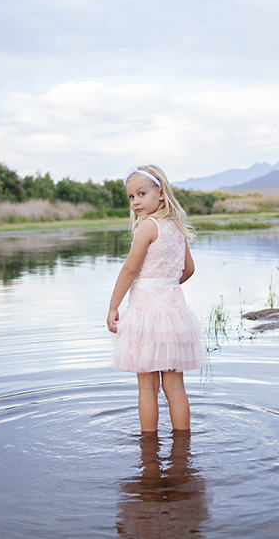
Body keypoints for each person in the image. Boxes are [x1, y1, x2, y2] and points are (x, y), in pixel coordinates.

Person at [107, 165, 208, 433]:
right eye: (131, 197)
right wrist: (166, 286)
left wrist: (113, 305)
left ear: (160, 193)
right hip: (174, 313)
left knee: (148, 388)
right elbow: (188, 270)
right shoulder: (176, 227)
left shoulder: (147, 227)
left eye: (141, 193)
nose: (136, 202)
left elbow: (130, 269)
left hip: (146, 314)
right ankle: (182, 443)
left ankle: (149, 451)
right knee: (175, 386)